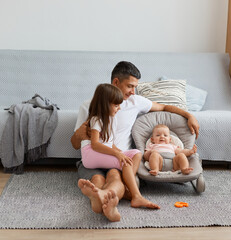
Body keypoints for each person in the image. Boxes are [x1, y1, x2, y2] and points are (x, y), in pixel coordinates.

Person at [71, 61, 199, 221]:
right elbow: (75, 144)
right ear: (116, 82)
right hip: (96, 157)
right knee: (98, 179)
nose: (133, 91)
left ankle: (102, 201)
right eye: (130, 86)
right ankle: (110, 200)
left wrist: (190, 116)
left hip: (118, 158)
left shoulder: (136, 101)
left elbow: (164, 107)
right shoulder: (90, 106)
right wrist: (81, 133)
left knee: (114, 177)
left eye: (135, 87)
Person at [80, 83, 159, 221]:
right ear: (105, 104)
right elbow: (95, 145)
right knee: (124, 163)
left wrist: (120, 152)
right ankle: (136, 196)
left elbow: (110, 143)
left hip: (99, 152)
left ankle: (101, 199)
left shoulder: (111, 119)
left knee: (135, 154)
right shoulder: (97, 119)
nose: (119, 108)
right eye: (116, 105)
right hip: (90, 154)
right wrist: (117, 155)